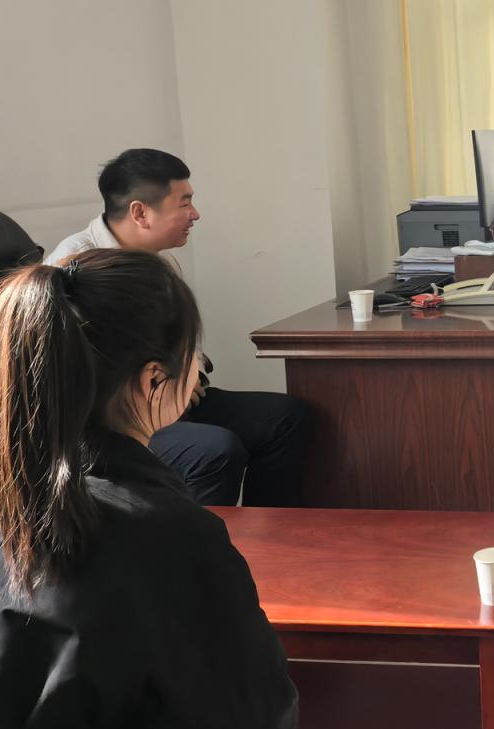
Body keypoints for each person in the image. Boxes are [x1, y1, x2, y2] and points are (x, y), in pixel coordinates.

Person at [0, 249, 299, 729]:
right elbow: (244, 728)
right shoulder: (167, 530)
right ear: (154, 379)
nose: (198, 369)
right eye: (195, 356)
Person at [46, 148, 308, 507]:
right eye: (184, 203)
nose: (195, 214)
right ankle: (200, 541)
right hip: (109, 420)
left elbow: (180, 338)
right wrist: (166, 383)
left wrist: (188, 371)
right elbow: (75, 368)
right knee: (216, 449)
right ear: (140, 212)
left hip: (166, 396)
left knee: (283, 418)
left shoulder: (162, 263)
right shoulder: (75, 266)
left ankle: (269, 536)